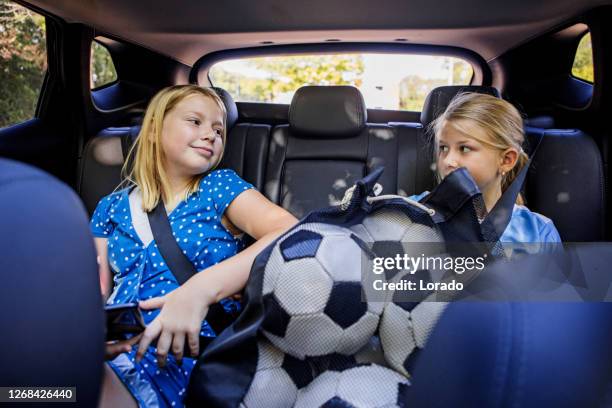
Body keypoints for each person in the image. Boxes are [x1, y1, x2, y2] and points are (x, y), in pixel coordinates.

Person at [90, 85, 298, 408]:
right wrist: (88, 337)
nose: (212, 135)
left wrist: (201, 289)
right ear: (155, 130)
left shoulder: (218, 187)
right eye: (195, 121)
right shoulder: (110, 208)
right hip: (114, 352)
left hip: (186, 354)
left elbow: (289, 231)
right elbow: (94, 291)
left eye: (218, 129)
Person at [410, 92, 561, 245]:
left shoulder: (539, 233)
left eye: (465, 148)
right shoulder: (412, 210)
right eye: (443, 147)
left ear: (506, 160)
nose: (448, 160)